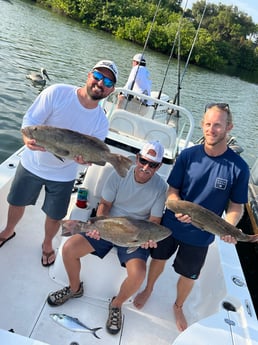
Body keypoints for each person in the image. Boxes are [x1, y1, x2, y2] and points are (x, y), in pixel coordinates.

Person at [133, 103, 250, 332]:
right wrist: (176, 207)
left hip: (203, 233)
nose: (211, 129)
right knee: (158, 258)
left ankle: (178, 305)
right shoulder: (188, 155)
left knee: (189, 274)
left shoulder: (239, 168)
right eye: (207, 124)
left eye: (217, 125)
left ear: (229, 127)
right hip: (171, 223)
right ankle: (148, 288)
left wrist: (229, 226)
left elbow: (236, 206)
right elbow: (172, 190)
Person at [0, 60, 118, 267]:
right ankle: (8, 231)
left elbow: (91, 155)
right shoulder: (57, 92)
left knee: (54, 216)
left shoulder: (101, 121)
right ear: (89, 75)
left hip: (64, 174)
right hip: (31, 164)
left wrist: (84, 161)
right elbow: (30, 119)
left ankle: (47, 244)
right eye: (98, 77)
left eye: (107, 81)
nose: (101, 83)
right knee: (16, 202)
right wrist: (27, 139)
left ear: (111, 90)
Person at [47, 141, 168, 335]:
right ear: (137, 158)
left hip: (135, 235)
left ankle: (116, 304)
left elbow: (154, 221)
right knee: (68, 248)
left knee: (138, 274)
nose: (146, 167)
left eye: (152, 164)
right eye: (143, 161)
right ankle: (74, 288)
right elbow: (104, 204)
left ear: (159, 166)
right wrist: (100, 225)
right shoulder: (120, 173)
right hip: (110, 224)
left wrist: (148, 239)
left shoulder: (161, 187)